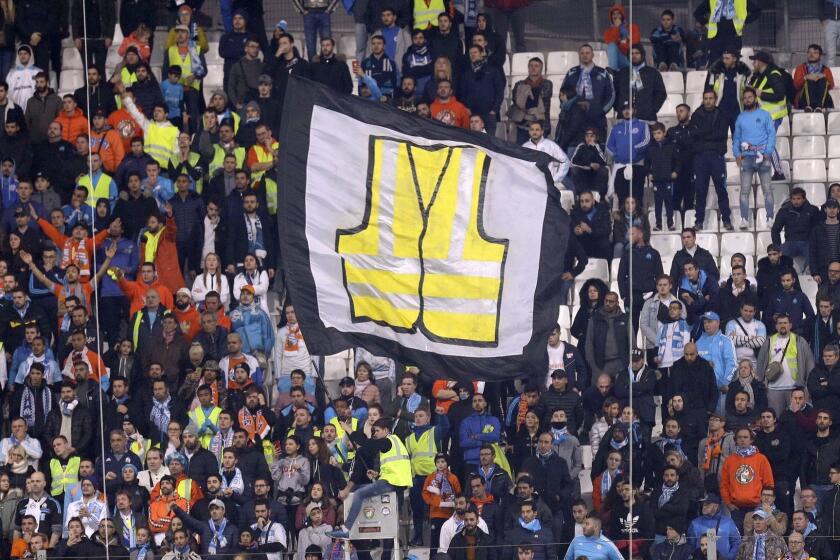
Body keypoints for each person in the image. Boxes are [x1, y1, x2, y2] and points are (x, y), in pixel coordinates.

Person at [326, 418, 412, 539]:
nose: (375, 434)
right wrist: (378, 474)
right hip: (395, 481)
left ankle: (346, 529)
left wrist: (348, 429)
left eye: (377, 431)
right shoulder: (395, 441)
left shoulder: (387, 441)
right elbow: (395, 465)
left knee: (359, 494)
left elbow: (365, 442)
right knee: (361, 489)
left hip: (392, 481)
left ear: (386, 430)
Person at [756, 313, 816, 415]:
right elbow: (761, 362)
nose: (782, 325)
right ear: (776, 326)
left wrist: (807, 385)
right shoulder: (769, 341)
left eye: (785, 323)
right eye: (780, 323)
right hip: (773, 389)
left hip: (794, 388)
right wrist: (761, 381)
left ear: (790, 325)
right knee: (775, 419)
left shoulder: (799, 341)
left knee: (797, 419)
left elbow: (809, 363)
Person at [733, 87, 775, 230]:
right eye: (745, 98)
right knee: (744, 191)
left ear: (755, 98)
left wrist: (768, 151)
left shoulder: (764, 115)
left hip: (763, 157)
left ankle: (770, 218)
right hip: (747, 159)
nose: (747, 100)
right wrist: (737, 154)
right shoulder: (740, 117)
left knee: (767, 190)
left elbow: (771, 134)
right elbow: (736, 138)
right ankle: (744, 219)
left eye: (750, 97)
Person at [691, 89, 733, 231]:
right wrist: (710, 132)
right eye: (705, 98)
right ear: (703, 99)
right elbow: (694, 134)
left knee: (721, 190)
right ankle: (699, 221)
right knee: (700, 191)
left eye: (710, 98)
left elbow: (721, 134)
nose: (708, 101)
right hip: (701, 157)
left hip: (716, 156)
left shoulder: (722, 114)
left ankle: (726, 220)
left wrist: (703, 133)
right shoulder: (696, 115)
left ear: (715, 100)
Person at [560, 43, 615, 142]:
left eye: (587, 53)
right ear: (579, 55)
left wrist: (601, 111)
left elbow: (611, 95)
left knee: (597, 151)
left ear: (592, 55)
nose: (585, 55)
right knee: (575, 152)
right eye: (582, 53)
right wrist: (570, 109)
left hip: (597, 119)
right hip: (574, 120)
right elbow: (562, 94)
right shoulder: (571, 72)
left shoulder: (603, 73)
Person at [746, 51, 788, 181]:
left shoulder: (773, 74)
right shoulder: (760, 75)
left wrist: (760, 93)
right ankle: (775, 171)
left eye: (755, 61)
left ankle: (779, 172)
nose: (753, 63)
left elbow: (780, 95)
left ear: (761, 62)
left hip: (774, 116)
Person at [607, 102, 649, 206]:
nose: (626, 111)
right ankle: (622, 221)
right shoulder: (616, 127)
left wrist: (634, 151)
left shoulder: (642, 125)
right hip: (620, 166)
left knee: (637, 196)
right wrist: (618, 155)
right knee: (621, 196)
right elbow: (609, 145)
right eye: (624, 109)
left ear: (634, 110)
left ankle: (638, 221)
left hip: (637, 165)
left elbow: (646, 141)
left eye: (629, 109)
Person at [615, 44, 667, 123]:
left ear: (642, 55)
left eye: (637, 53)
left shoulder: (653, 73)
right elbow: (614, 92)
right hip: (624, 119)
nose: (634, 56)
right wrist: (619, 108)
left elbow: (661, 93)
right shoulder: (621, 73)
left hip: (646, 118)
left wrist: (651, 110)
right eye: (631, 53)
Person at [772, 187, 820, 270]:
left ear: (804, 199)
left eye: (798, 198)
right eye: (793, 199)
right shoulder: (784, 211)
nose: (796, 201)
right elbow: (775, 230)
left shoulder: (813, 210)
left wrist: (814, 242)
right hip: (790, 242)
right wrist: (777, 246)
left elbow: (818, 229)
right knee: (780, 257)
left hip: (807, 242)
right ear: (790, 199)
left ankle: (808, 273)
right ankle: (784, 274)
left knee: (814, 255)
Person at [510, 58, 553, 144]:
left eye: (536, 66)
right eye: (531, 66)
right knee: (522, 154)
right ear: (528, 67)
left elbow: (540, 99)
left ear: (541, 68)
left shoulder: (547, 83)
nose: (533, 68)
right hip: (523, 126)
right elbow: (517, 102)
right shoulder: (519, 84)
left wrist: (525, 94)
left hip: (541, 126)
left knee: (539, 154)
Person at [522, 121, 568, 185]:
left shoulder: (551, 145)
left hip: (548, 184)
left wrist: (556, 179)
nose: (534, 132)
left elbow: (565, 161)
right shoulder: (525, 146)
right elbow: (520, 166)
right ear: (529, 131)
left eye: (537, 130)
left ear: (542, 132)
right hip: (530, 184)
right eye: (532, 130)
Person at [793, 44, 835, 111]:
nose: (811, 54)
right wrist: (806, 77)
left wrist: (824, 77)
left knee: (823, 79)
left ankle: (818, 106)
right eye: (809, 52)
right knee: (809, 80)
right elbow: (796, 86)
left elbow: (831, 85)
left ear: (820, 55)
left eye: (815, 53)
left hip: (823, 102)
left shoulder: (826, 69)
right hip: (804, 102)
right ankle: (812, 106)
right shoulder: (800, 68)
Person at [603, 4, 640, 71]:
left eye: (618, 14)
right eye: (614, 14)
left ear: (622, 16)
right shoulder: (608, 32)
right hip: (620, 60)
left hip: (632, 59)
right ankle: (613, 72)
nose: (616, 16)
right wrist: (616, 28)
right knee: (612, 46)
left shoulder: (633, 27)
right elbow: (612, 44)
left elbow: (634, 45)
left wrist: (620, 44)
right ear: (611, 17)